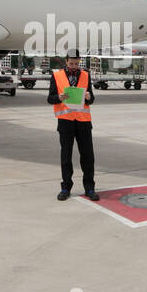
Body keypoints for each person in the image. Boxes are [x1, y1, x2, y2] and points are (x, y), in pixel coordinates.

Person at [48, 48, 98, 201]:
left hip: (83, 122)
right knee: (66, 157)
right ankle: (65, 187)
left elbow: (91, 99)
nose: (74, 66)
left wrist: (89, 97)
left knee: (88, 157)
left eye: (76, 63)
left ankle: (89, 188)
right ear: (66, 61)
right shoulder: (56, 76)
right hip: (65, 122)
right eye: (71, 63)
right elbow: (50, 98)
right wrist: (59, 97)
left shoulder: (85, 75)